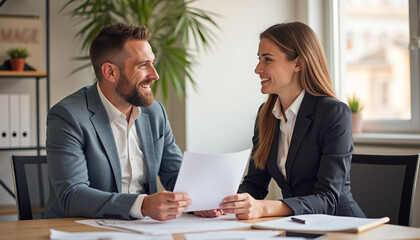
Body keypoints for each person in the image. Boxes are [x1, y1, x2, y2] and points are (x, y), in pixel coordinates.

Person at [196, 22, 365, 219]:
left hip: (342, 226)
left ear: (298, 63)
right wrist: (225, 204)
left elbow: (328, 199)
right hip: (295, 225)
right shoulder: (266, 115)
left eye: (267, 60)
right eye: (259, 59)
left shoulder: (333, 113)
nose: (257, 69)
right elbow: (255, 184)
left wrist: (264, 208)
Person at [45, 22, 191, 221]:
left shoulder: (155, 113)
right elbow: (72, 196)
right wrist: (143, 205)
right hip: (82, 229)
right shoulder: (68, 116)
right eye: (142, 65)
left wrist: (203, 202)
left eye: (152, 63)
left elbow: (177, 176)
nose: (154, 75)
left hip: (144, 229)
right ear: (110, 72)